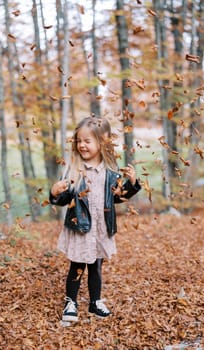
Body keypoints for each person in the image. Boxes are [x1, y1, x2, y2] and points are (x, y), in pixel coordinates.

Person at [49, 116, 141, 322]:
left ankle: (95, 302)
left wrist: (132, 183)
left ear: (101, 143)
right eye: (79, 141)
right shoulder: (74, 170)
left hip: (101, 227)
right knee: (77, 265)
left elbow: (117, 197)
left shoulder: (111, 171)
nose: (82, 145)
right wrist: (55, 193)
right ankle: (70, 302)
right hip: (80, 226)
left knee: (96, 266)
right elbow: (65, 198)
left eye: (87, 141)